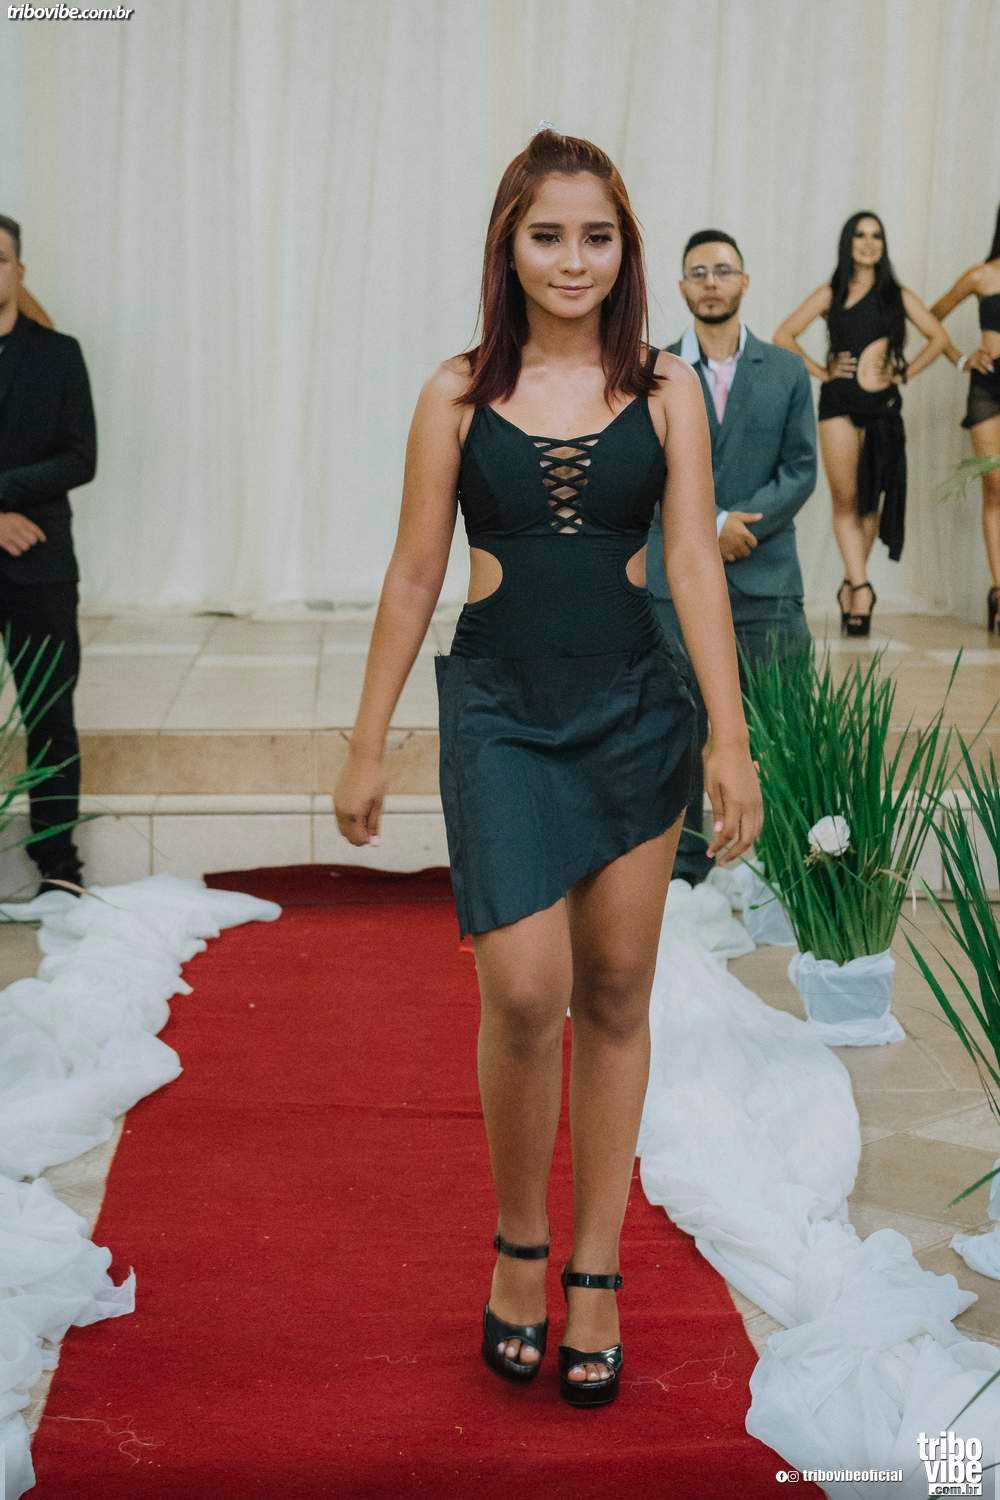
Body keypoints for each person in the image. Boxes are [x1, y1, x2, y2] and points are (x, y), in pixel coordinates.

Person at [333, 127, 761, 1407]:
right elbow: (415, 572)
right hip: (502, 715)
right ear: (507, 247)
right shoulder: (455, 394)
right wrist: (367, 741)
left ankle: (594, 1269)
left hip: (635, 707)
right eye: (547, 235)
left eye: (597, 236)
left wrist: (729, 737)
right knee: (526, 992)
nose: (574, 259)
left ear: (625, 248)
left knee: (617, 988)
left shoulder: (666, 390)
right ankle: (518, 1243)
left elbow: (691, 563)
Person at [646, 228, 816, 887]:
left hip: (767, 581)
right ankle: (687, 873)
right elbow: (640, 473)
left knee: (780, 724)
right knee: (682, 727)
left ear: (744, 281)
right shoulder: (650, 373)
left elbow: (800, 470)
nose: (711, 282)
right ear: (682, 286)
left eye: (722, 270)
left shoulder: (788, 371)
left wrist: (739, 526)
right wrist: (709, 525)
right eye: (698, 272)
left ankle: (782, 869)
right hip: (674, 586)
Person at [773, 212, 947, 634]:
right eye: (860, 235)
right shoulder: (831, 293)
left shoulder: (897, 296)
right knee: (847, 498)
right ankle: (863, 587)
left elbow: (938, 338)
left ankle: (852, 584)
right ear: (848, 243)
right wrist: (822, 371)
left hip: (883, 408)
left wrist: (905, 373)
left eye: (876, 236)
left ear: (883, 245)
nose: (869, 243)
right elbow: (783, 335)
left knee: (871, 501)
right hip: (838, 403)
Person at [0, 214, 96, 893]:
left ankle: (57, 864)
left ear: (19, 270)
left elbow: (81, 457)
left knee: (50, 714)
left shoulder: (59, 355)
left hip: (40, 563)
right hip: (20, 532)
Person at [929, 202, 1000, 632]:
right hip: (989, 386)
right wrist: (960, 358)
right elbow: (930, 317)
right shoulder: (981, 275)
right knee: (995, 487)